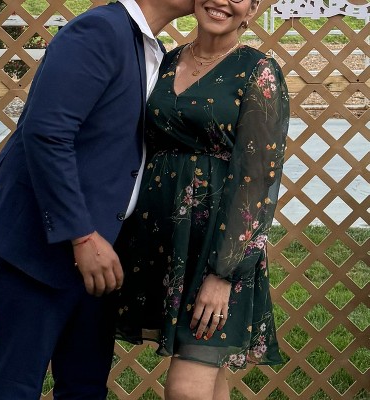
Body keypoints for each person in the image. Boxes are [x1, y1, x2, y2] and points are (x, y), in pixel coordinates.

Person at [0, 0, 194, 398]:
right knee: (14, 387)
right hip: (39, 244)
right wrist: (82, 235)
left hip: (103, 253)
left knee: (85, 387)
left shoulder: (150, 48)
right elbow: (47, 133)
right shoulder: (99, 31)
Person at [114, 0, 290, 398]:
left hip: (219, 247)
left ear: (252, 9)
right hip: (166, 243)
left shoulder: (258, 71)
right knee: (209, 381)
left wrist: (224, 273)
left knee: (186, 389)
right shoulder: (166, 61)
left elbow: (258, 179)